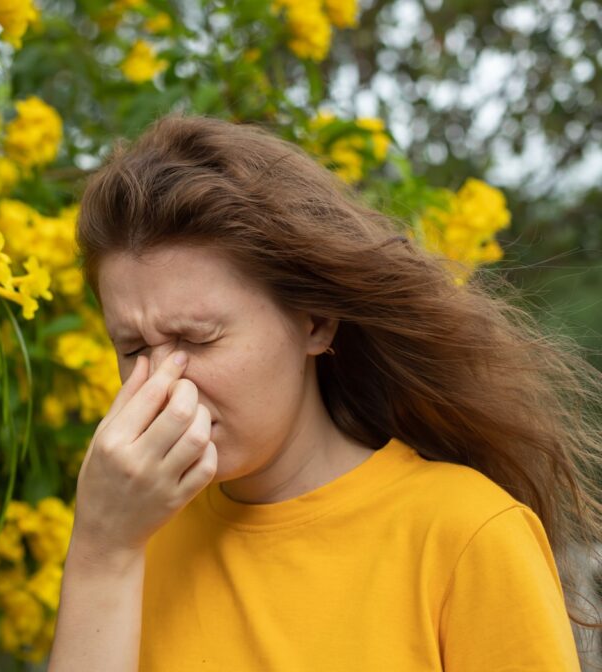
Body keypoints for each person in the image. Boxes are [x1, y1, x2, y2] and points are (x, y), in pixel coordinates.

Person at [46, 113, 602, 671]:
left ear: (315, 322)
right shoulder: (133, 533)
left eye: (197, 338)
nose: (164, 387)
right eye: (134, 349)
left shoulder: (465, 535)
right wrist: (102, 551)